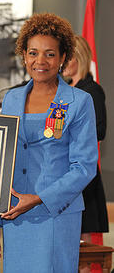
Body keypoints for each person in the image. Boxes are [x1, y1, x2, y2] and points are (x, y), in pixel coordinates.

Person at [0, 13, 98, 273]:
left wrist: (38, 199)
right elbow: (2, 162)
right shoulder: (11, 99)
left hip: (56, 216)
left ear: (63, 58)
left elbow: (84, 167)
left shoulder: (79, 102)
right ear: (24, 55)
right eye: (33, 53)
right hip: (14, 216)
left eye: (50, 54)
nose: (40, 61)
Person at [63, 35, 108, 273]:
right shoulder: (62, 90)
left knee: (82, 252)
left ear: (78, 57)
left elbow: (99, 130)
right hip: (63, 174)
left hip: (83, 177)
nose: (62, 62)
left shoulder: (91, 90)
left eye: (66, 56)